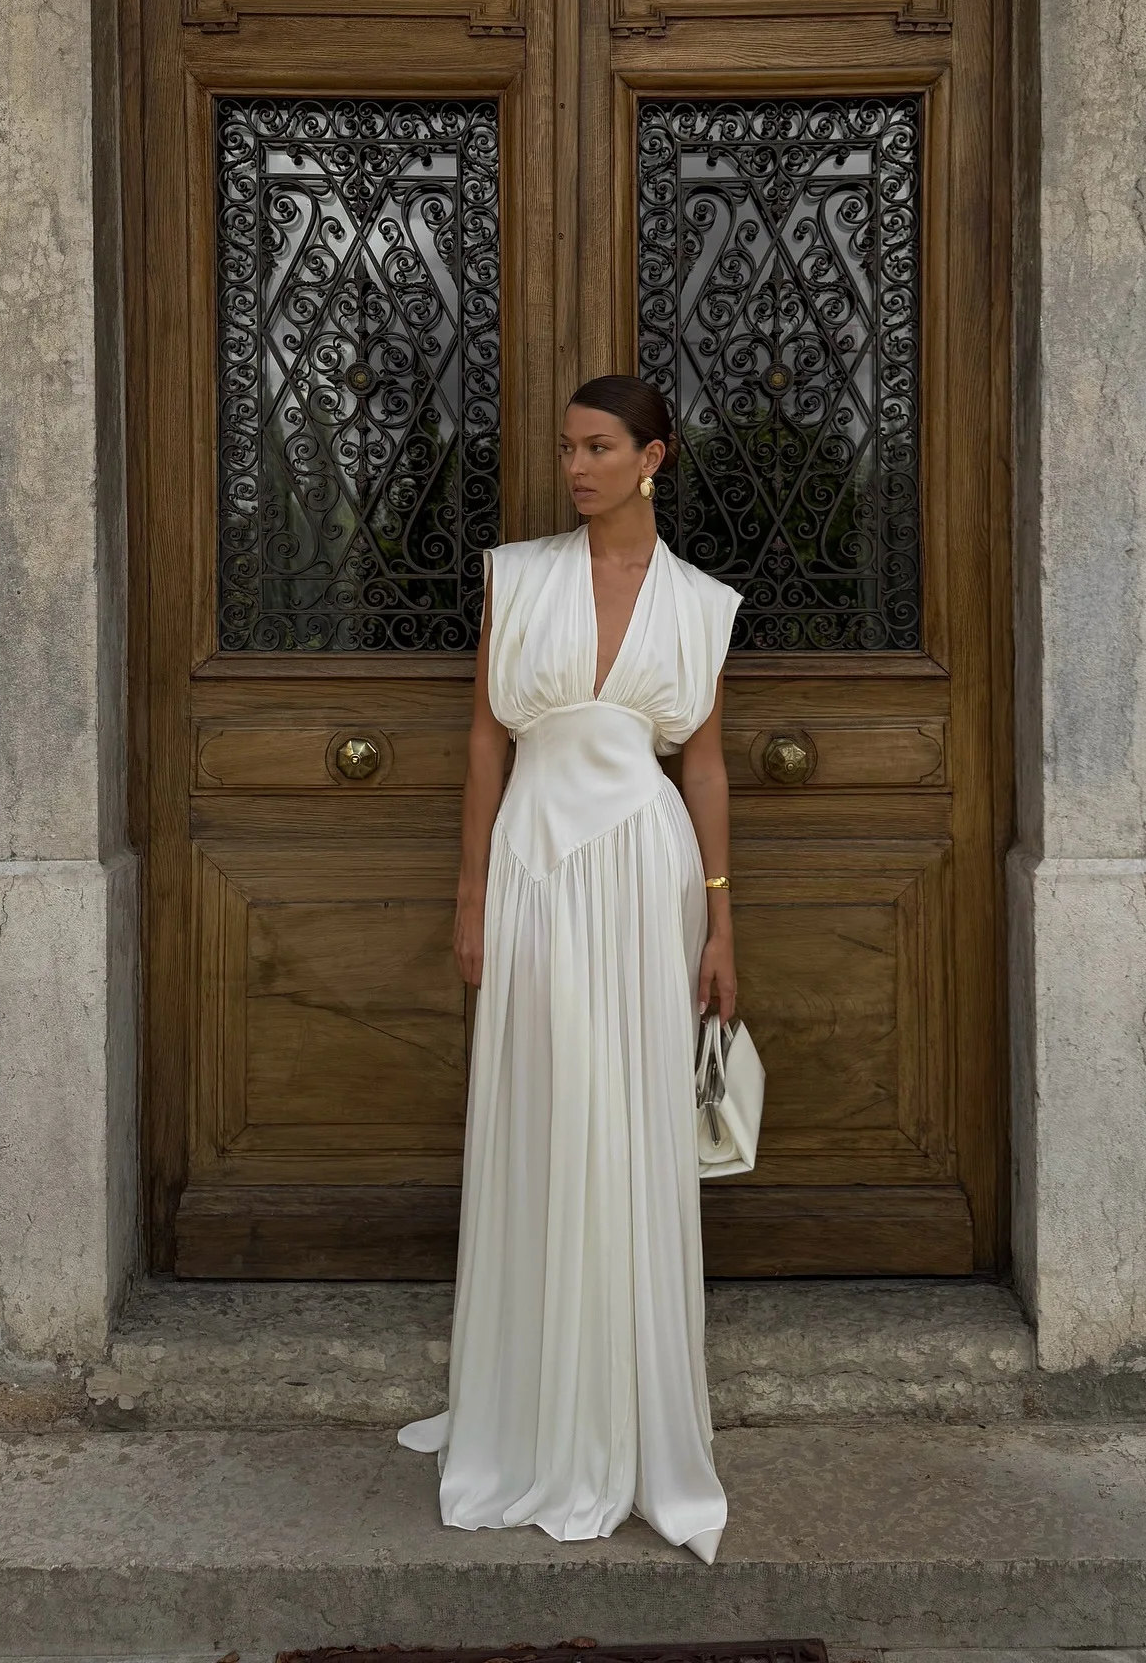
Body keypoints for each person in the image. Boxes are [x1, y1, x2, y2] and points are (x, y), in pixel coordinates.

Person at [397, 374, 741, 1565]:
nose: (576, 467)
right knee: (544, 1116)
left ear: (657, 456)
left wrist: (721, 925)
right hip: (536, 868)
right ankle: (532, 1412)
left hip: (646, 875)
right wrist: (470, 888)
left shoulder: (699, 604)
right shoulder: (519, 575)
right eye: (566, 449)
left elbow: (701, 767)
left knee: (632, 1124)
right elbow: (487, 737)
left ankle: (631, 1423)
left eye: (599, 448)